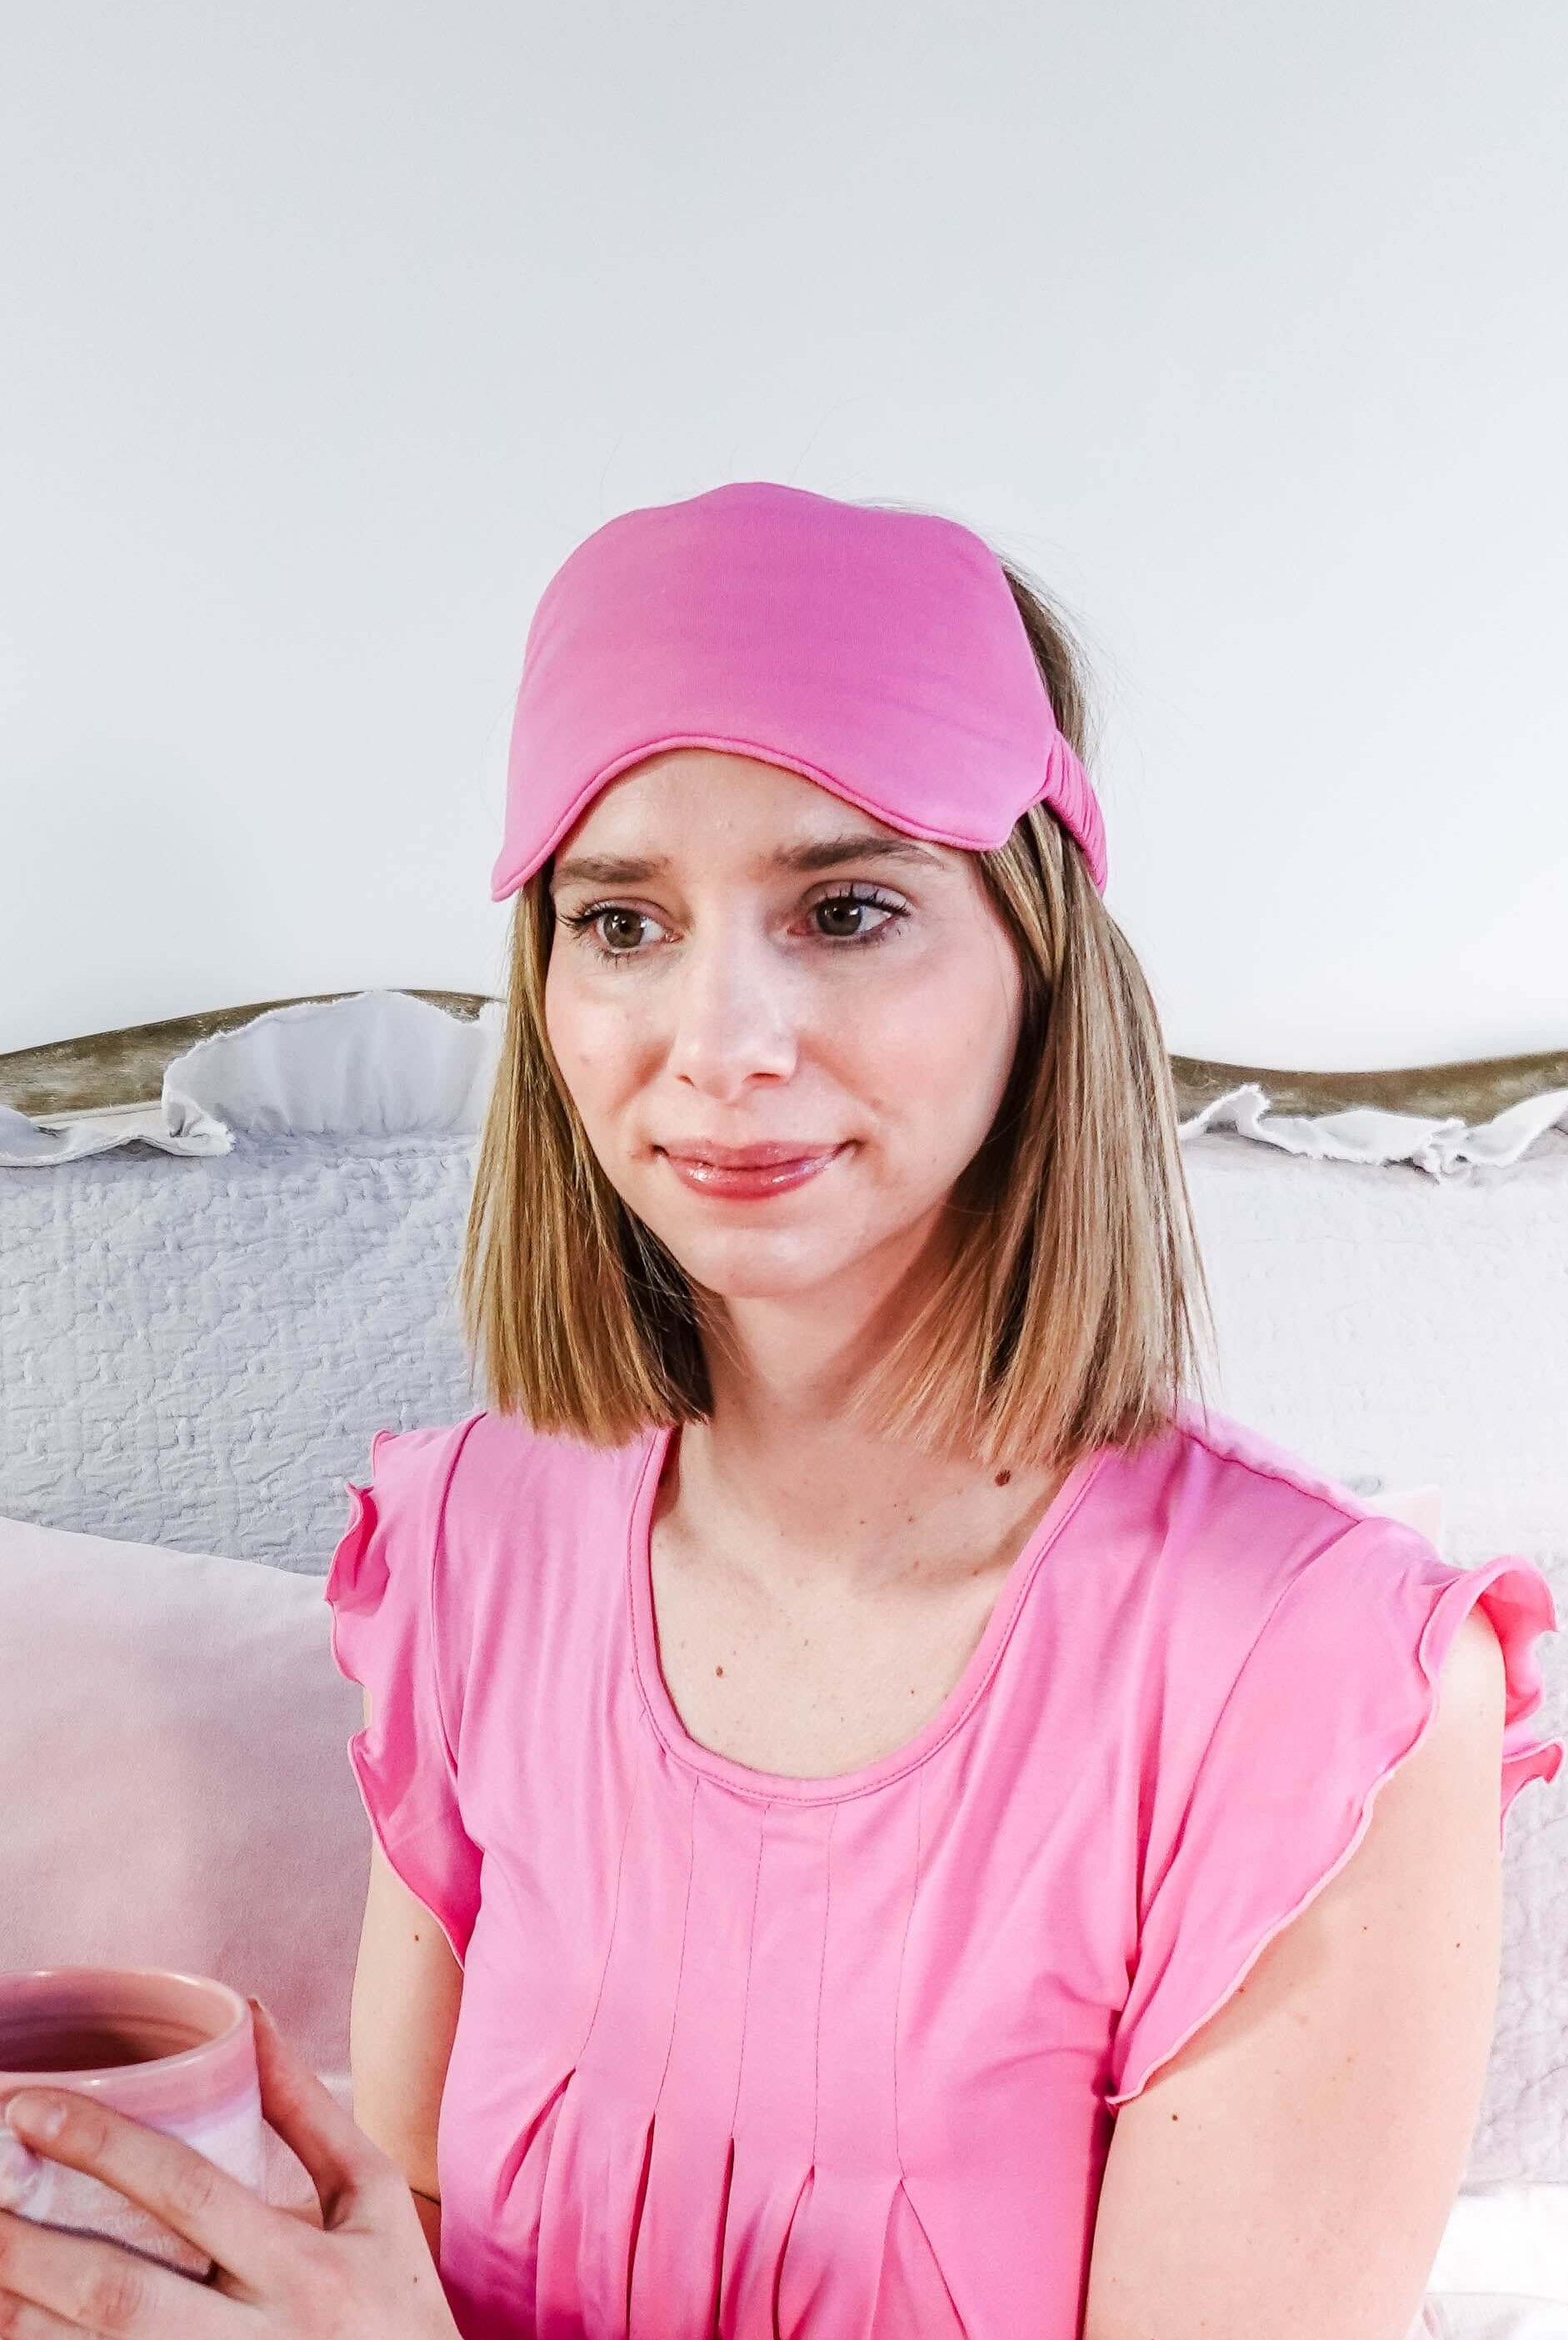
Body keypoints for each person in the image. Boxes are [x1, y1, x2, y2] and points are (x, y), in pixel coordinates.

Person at [2, 482, 1555, 2340]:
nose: (716, 1044)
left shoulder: (1316, 1688)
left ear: (1037, 960)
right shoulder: (473, 1550)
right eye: (622, 922)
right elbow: (405, 2254)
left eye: (843, 907)